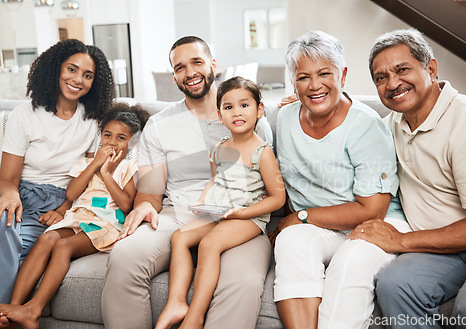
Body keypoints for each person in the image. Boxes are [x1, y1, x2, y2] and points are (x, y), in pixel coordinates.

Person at [101, 36, 274, 329]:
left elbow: (268, 187)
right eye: (180, 67)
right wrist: (143, 206)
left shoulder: (246, 113)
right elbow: (151, 193)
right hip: (179, 214)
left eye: (196, 62)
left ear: (212, 65)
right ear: (174, 76)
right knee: (125, 255)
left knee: (242, 282)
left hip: (241, 217)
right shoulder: (159, 124)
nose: (190, 72)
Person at [349, 29, 466, 328]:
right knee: (395, 285)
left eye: (402, 69)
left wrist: (402, 240)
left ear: (430, 69)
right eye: (381, 78)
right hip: (439, 247)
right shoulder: (386, 127)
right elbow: (343, 137)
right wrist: (307, 107)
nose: (392, 84)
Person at [269, 30, 411, 329]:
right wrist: (291, 221)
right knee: (291, 241)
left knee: (348, 265)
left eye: (324, 73)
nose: (314, 85)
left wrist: (301, 216)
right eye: (303, 77)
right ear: (293, 82)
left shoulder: (365, 125)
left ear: (342, 74)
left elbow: (373, 210)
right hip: (320, 226)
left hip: (374, 222)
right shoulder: (283, 118)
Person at [0, 103, 149, 329]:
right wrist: (96, 164)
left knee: (63, 247)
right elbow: (71, 193)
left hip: (105, 224)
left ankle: (34, 310)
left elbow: (127, 204)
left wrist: (107, 173)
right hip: (78, 218)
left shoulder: (129, 168)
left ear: (133, 143)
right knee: (46, 239)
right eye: (107, 135)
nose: (112, 142)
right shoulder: (87, 164)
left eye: (121, 138)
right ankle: (14, 307)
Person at [155, 76, 285, 329]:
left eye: (244, 105)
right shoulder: (218, 148)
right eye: (228, 107)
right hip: (218, 212)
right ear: (219, 114)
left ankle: (195, 316)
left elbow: (278, 198)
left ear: (259, 110)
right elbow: (215, 180)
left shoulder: (263, 152)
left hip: (248, 217)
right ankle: (176, 302)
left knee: (209, 244)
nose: (237, 112)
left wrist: (241, 213)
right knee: (179, 237)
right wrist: (203, 201)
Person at [0, 39, 114, 306]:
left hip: (59, 202)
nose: (78, 80)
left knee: (14, 244)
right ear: (55, 69)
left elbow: (86, 180)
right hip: (20, 196)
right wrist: (9, 195)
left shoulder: (93, 121)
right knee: (5, 225)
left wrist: (63, 209)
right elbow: (7, 178)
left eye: (87, 75)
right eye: (71, 69)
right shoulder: (24, 114)